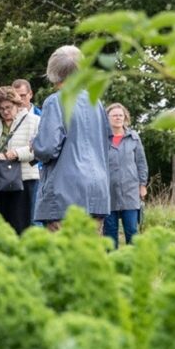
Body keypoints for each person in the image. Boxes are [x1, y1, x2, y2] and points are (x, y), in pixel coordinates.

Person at [32, 45, 110, 231]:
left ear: (53, 70)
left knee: (63, 255)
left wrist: (34, 145)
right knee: (89, 253)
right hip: (97, 191)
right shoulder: (96, 102)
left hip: (65, 190)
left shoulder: (55, 101)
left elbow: (47, 148)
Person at [0, 87, 41, 234]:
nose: (5, 111)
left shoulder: (34, 121)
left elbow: (39, 149)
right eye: (1, 108)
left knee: (19, 225)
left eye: (8, 107)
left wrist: (17, 153)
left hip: (23, 181)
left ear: (17, 104)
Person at [104, 103, 148, 248]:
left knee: (132, 231)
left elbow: (141, 163)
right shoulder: (102, 139)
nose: (118, 118)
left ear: (125, 117)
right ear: (107, 118)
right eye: (114, 115)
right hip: (108, 193)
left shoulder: (134, 138)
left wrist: (142, 185)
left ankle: (133, 265)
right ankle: (111, 265)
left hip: (130, 192)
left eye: (120, 115)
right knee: (110, 233)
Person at [12, 77, 42, 225]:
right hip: (14, 172)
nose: (19, 99)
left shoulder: (41, 115)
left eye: (23, 95)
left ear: (30, 94)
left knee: (36, 215)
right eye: (16, 95)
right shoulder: (9, 116)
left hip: (38, 170)